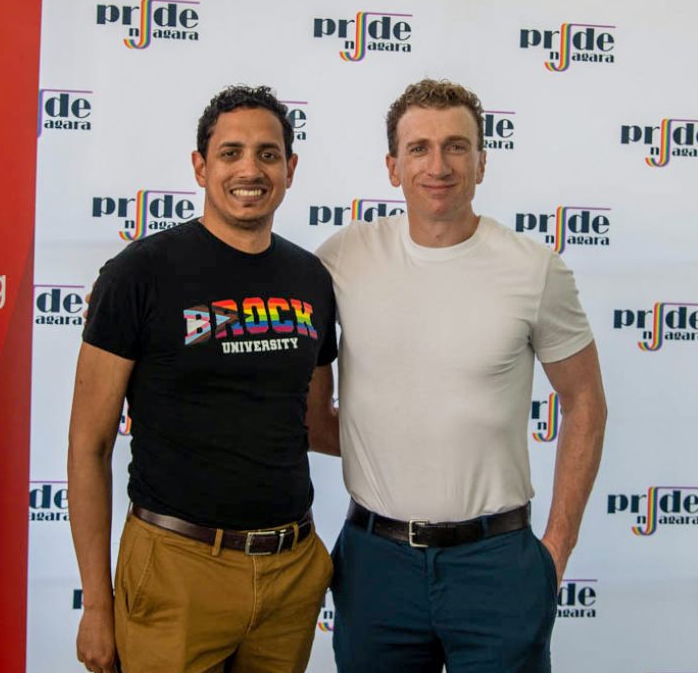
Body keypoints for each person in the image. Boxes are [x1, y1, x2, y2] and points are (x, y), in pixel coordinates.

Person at [308, 79, 608, 672]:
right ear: (392, 167)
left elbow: (585, 403)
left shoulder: (534, 270)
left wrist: (556, 549)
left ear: (482, 161)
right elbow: (312, 417)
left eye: (456, 146)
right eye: (418, 148)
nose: (437, 165)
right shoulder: (341, 260)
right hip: (375, 563)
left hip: (497, 563)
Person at [68, 85, 337, 673]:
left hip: (291, 571)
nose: (250, 169)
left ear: (290, 169)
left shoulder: (311, 278)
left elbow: (319, 424)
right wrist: (95, 602)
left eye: (268, 154)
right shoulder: (139, 273)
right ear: (200, 166)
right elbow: (89, 446)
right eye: (230, 152)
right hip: (176, 565)